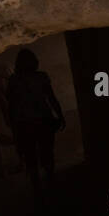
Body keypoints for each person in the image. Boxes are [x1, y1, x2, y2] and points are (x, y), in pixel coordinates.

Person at [6, 49, 65, 192]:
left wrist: (14, 126)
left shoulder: (14, 80)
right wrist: (60, 115)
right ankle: (50, 182)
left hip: (25, 124)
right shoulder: (40, 77)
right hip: (42, 121)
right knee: (46, 154)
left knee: (31, 156)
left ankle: (37, 187)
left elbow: (12, 106)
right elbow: (51, 98)